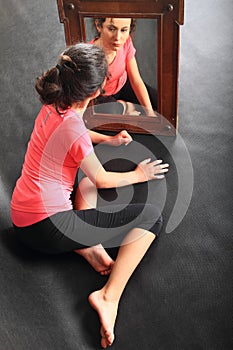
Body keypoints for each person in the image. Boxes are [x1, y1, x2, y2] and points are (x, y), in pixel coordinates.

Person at [10, 43, 169, 348]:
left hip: (22, 214)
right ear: (96, 93)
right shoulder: (73, 129)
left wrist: (107, 140)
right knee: (152, 218)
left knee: (82, 181)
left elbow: (78, 132)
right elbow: (103, 178)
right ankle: (108, 296)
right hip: (47, 228)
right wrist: (140, 175)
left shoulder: (52, 106)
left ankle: (88, 246)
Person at [90, 17, 157, 116]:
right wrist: (125, 106)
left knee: (156, 100)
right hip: (101, 96)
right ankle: (126, 106)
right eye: (111, 29)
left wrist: (150, 113)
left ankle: (125, 106)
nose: (118, 37)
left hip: (123, 85)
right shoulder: (89, 54)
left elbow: (136, 80)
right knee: (112, 112)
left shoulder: (126, 42)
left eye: (124, 30)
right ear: (99, 26)